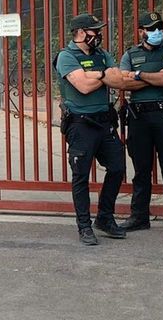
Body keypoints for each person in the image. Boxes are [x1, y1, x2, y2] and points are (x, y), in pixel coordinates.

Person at [55, 13, 128, 246]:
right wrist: (105, 74)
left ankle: (105, 218)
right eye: (94, 30)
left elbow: (119, 80)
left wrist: (101, 75)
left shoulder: (102, 54)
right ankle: (84, 225)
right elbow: (83, 86)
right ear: (81, 32)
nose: (98, 34)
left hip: (104, 122)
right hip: (80, 124)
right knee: (81, 176)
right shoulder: (66, 57)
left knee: (117, 167)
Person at [118, 12, 163, 235]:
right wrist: (151, 76)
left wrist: (137, 75)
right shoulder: (131, 53)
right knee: (141, 170)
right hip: (139, 118)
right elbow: (123, 82)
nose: (156, 32)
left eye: (159, 27)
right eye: (150, 28)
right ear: (141, 32)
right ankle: (139, 217)